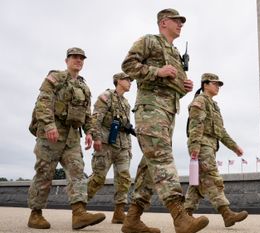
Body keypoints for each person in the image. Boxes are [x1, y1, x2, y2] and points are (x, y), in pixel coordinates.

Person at [120, 8, 209, 233]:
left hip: (167, 113)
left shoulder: (176, 53)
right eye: (177, 21)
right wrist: (157, 71)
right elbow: (128, 65)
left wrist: (184, 89)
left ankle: (132, 220)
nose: (180, 25)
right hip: (150, 110)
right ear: (163, 22)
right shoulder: (149, 41)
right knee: (161, 157)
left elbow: (172, 88)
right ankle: (180, 216)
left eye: (182, 22)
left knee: (149, 168)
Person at [27, 47, 106, 230]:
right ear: (67, 60)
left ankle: (79, 214)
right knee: (45, 173)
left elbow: (87, 115)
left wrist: (90, 133)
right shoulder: (56, 78)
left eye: (81, 58)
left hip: (71, 137)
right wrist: (48, 125)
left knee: (77, 171)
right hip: (51, 135)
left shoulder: (84, 87)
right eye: (74, 57)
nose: (78, 60)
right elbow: (43, 102)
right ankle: (35, 214)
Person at [184, 73, 248, 227]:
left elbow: (221, 131)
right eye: (215, 83)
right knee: (213, 178)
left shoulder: (214, 105)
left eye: (219, 84)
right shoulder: (199, 101)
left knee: (197, 183)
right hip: (201, 146)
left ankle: (184, 215)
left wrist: (234, 147)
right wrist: (195, 147)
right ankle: (227, 214)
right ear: (205, 84)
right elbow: (195, 125)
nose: (217, 87)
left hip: (210, 146)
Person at [87, 72, 134, 224]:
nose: (130, 82)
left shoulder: (126, 103)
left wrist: (129, 148)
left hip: (123, 146)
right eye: (127, 80)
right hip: (106, 143)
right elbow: (96, 118)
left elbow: (126, 128)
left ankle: (119, 212)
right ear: (118, 81)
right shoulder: (106, 96)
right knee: (98, 178)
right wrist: (96, 137)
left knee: (124, 178)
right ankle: (79, 205)